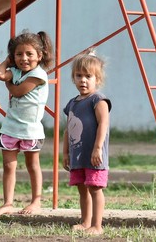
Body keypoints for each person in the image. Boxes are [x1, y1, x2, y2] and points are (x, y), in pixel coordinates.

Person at [0, 30, 52, 217]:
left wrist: (9, 84)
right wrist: (7, 61)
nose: (24, 58)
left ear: (39, 56)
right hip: (10, 127)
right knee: (8, 166)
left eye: (29, 54)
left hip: (30, 130)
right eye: (19, 54)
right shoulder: (15, 71)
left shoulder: (39, 75)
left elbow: (18, 92)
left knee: (32, 165)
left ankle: (36, 201)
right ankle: (8, 203)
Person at [62, 52, 111, 236]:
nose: (83, 80)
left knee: (95, 189)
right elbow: (68, 130)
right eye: (79, 75)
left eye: (88, 76)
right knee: (82, 189)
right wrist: (65, 153)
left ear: (97, 79)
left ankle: (97, 226)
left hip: (94, 156)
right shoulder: (72, 103)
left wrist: (97, 148)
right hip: (78, 155)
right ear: (73, 78)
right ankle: (85, 222)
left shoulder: (98, 100)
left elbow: (103, 124)